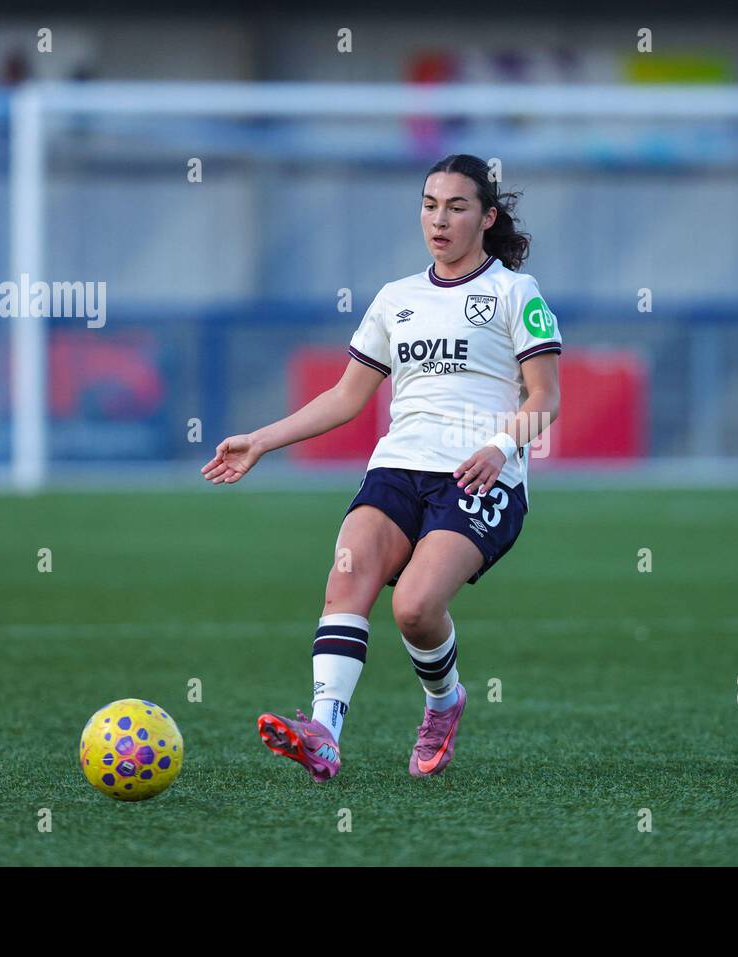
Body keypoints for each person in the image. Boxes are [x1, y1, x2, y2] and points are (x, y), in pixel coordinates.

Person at [201, 154, 562, 781]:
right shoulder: (397, 299)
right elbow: (346, 397)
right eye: (429, 205)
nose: (439, 219)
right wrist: (260, 440)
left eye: (456, 206)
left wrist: (500, 448)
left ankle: (444, 703)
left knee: (415, 608)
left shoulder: (514, 293)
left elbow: (545, 399)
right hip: (397, 467)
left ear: (487, 216)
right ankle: (323, 731)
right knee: (347, 578)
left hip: (479, 475)